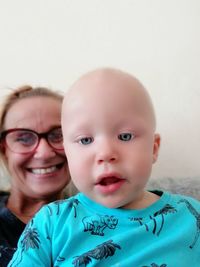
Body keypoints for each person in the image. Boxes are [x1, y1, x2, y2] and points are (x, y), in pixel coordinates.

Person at [8, 69, 200, 267]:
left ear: (154, 148)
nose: (105, 153)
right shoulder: (50, 223)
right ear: (67, 152)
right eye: (85, 140)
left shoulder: (192, 216)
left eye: (125, 136)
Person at [0, 85, 70, 267]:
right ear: (3, 148)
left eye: (59, 135)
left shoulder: (105, 218)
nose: (44, 153)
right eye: (23, 138)